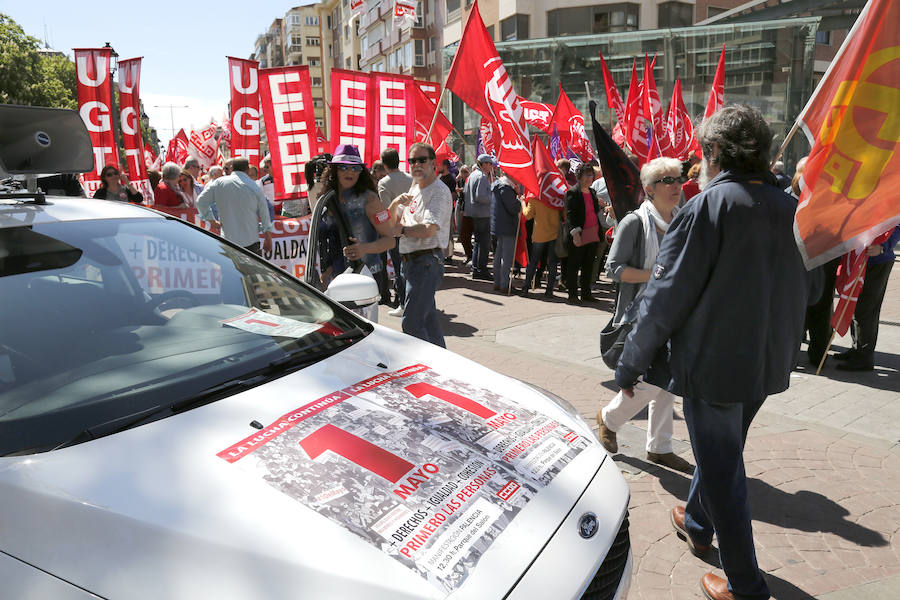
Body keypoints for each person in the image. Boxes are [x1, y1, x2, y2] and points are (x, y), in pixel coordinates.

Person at [615, 105, 820, 600]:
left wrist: (630, 360)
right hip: (767, 359)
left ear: (713, 155)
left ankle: (746, 584)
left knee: (724, 465)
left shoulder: (704, 209)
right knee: (722, 452)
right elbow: (811, 292)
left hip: (715, 366)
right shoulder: (791, 207)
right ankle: (699, 521)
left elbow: (664, 300)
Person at [597, 157, 692, 473]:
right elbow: (614, 269)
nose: (676, 185)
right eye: (667, 180)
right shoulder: (635, 223)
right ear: (650, 189)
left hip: (676, 311)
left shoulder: (683, 219)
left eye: (677, 178)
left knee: (669, 379)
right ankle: (609, 418)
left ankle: (659, 446)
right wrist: (656, 276)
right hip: (642, 312)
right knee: (653, 379)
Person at [389, 142, 452, 347]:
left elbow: (429, 229)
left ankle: (427, 368)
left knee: (412, 323)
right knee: (428, 321)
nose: (416, 164)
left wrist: (404, 231)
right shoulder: (414, 189)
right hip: (410, 262)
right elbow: (393, 223)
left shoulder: (439, 191)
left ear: (433, 163)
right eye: (412, 160)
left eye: (421, 160)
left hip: (426, 262)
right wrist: (395, 203)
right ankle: (442, 365)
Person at [319, 144, 396, 292]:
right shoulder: (328, 197)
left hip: (364, 278)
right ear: (334, 169)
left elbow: (390, 240)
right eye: (344, 167)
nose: (350, 172)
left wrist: (365, 248)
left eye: (355, 168)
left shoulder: (371, 200)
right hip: (334, 278)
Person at [834, 225, 900, 371]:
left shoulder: (890, 203)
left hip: (877, 260)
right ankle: (857, 348)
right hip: (859, 258)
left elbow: (897, 225)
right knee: (855, 306)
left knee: (866, 309)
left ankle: (864, 357)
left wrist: (883, 246)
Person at [196, 157, 273, 255]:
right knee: (250, 271)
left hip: (228, 241)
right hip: (250, 242)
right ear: (248, 170)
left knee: (228, 270)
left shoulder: (219, 183)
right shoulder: (254, 187)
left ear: (231, 168)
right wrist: (268, 237)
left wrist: (211, 221)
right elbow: (264, 214)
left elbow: (201, 201)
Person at [377, 148, 414, 316]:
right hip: (412, 227)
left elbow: (386, 211)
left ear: (384, 164)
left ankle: (404, 304)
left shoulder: (384, 183)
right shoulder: (411, 178)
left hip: (395, 230)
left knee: (400, 268)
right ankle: (411, 302)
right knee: (410, 266)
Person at [562, 163, 603, 305]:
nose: (589, 178)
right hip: (579, 234)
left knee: (588, 265)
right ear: (579, 177)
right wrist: (575, 234)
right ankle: (572, 294)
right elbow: (570, 216)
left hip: (593, 233)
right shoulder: (572, 192)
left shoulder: (592, 192)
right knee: (573, 265)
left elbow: (595, 211)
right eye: (586, 175)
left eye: (591, 175)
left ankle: (586, 294)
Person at [520, 194, 560, 297]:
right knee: (552, 263)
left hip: (539, 235)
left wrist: (523, 202)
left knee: (533, 262)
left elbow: (528, 215)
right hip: (554, 233)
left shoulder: (535, 197)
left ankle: (526, 287)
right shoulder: (557, 196)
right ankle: (549, 290)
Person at [463, 154, 495, 281]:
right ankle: (481, 269)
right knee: (483, 243)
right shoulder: (481, 177)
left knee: (478, 242)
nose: (491, 166)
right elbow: (480, 197)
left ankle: (476, 268)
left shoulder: (472, 175)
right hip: (482, 214)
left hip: (475, 213)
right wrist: (493, 197)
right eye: (489, 163)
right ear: (484, 164)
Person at [490, 172, 520, 293]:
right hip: (507, 225)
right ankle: (504, 284)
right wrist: (519, 199)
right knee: (506, 257)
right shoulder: (506, 188)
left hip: (498, 225)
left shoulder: (498, 185)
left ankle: (497, 282)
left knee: (498, 255)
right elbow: (513, 208)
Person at [456, 165, 473, 264]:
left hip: (470, 209)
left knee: (467, 234)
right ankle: (469, 254)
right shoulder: (459, 180)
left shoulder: (470, 180)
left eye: (466, 172)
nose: (464, 174)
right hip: (462, 207)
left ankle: (472, 255)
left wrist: (463, 190)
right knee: (462, 233)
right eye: (462, 171)